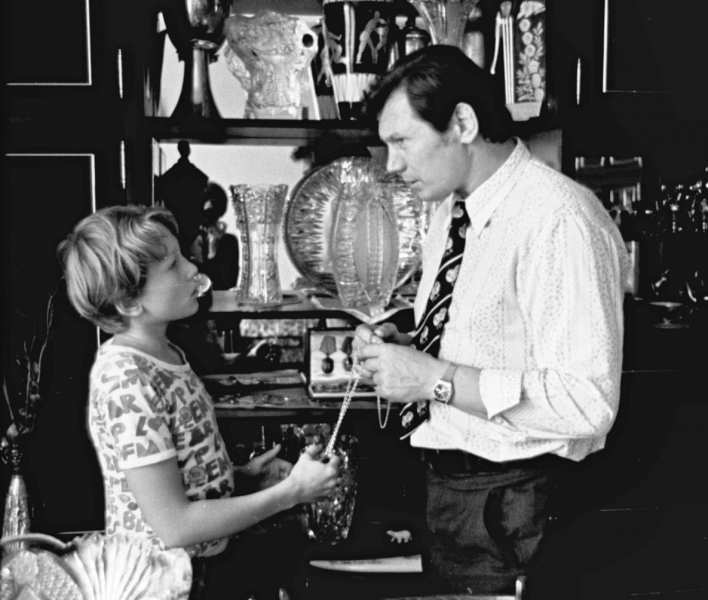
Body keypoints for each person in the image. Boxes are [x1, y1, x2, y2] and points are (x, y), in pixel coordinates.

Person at [354, 45, 629, 595]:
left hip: (517, 507)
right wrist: (409, 345)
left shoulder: (559, 220)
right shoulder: (450, 212)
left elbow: (588, 402)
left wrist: (433, 380)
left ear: (462, 122)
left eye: (402, 141)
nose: (391, 165)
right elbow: (490, 337)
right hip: (455, 494)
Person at [57, 205, 341, 599]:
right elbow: (174, 525)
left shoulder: (165, 354)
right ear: (129, 302)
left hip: (197, 572)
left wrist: (239, 477)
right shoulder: (128, 379)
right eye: (173, 264)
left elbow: (174, 478)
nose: (193, 268)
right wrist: (290, 492)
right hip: (164, 585)